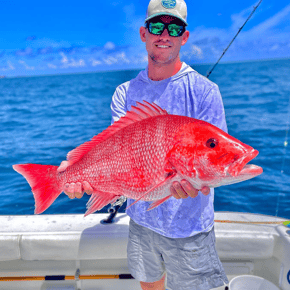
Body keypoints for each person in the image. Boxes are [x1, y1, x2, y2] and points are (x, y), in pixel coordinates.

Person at [63, 0, 229, 289]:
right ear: (143, 33)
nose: (165, 34)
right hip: (140, 222)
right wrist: (76, 169)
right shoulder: (124, 93)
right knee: (149, 284)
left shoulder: (205, 92)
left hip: (189, 229)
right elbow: (115, 153)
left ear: (184, 37)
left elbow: (215, 161)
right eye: (157, 25)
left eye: (174, 27)